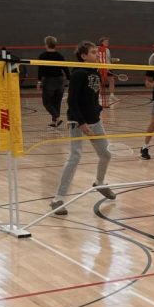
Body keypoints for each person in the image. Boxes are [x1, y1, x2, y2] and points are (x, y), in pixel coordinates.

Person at [49, 41, 115, 215]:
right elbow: (72, 101)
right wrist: (82, 122)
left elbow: (92, 98)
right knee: (75, 156)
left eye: (96, 52)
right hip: (78, 122)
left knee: (106, 154)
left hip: (95, 120)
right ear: (84, 56)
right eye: (93, 52)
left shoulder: (95, 73)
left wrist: (98, 109)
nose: (96, 55)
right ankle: (57, 199)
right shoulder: (78, 74)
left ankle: (99, 183)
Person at [36, 35, 68, 128]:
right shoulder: (59, 55)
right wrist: (69, 78)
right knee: (56, 102)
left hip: (49, 81)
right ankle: (55, 122)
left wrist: (39, 82)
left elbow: (40, 70)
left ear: (46, 45)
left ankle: (57, 117)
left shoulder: (43, 56)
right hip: (60, 80)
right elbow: (65, 68)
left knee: (46, 102)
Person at [96, 36, 118, 106]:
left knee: (111, 80)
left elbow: (108, 59)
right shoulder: (97, 49)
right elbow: (98, 59)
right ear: (101, 42)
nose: (107, 43)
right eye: (105, 42)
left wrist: (112, 60)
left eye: (107, 42)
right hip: (101, 68)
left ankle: (112, 95)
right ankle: (98, 95)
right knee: (100, 81)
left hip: (108, 67)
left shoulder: (108, 50)